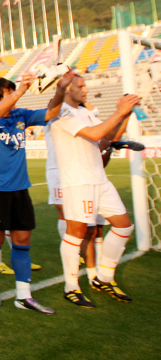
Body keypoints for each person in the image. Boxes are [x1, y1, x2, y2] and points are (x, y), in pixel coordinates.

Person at [0, 71, 74, 314]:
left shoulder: (21, 115)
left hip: (20, 189)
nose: (14, 99)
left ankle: (23, 296)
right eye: (8, 94)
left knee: (22, 241)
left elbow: (51, 113)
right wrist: (20, 90)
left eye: (13, 93)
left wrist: (60, 89)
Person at [51, 75, 139, 307]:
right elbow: (94, 134)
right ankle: (71, 287)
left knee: (124, 226)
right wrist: (119, 112)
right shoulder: (61, 112)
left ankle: (104, 277)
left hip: (99, 179)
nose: (86, 90)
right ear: (67, 90)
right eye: (81, 86)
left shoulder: (84, 112)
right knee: (76, 233)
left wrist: (126, 113)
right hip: (78, 182)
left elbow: (103, 139)